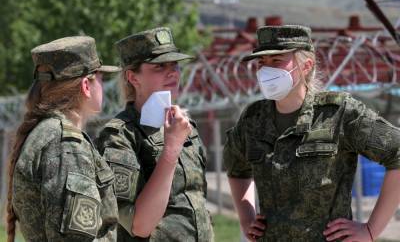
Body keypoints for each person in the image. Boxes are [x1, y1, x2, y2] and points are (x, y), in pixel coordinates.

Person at [223, 25, 400, 241]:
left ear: (306, 66)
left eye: (277, 61)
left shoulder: (338, 113)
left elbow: (397, 151)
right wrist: (246, 218)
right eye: (262, 63)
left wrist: (371, 230)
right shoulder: (253, 119)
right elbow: (236, 167)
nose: (266, 70)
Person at [96, 27, 214, 242]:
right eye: (159, 66)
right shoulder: (119, 137)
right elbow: (139, 225)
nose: (173, 72)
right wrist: (170, 150)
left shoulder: (185, 127)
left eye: (175, 65)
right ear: (133, 77)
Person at [7, 36, 121, 242]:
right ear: (86, 86)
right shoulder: (65, 146)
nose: (103, 85)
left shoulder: (47, 133)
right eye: (100, 77)